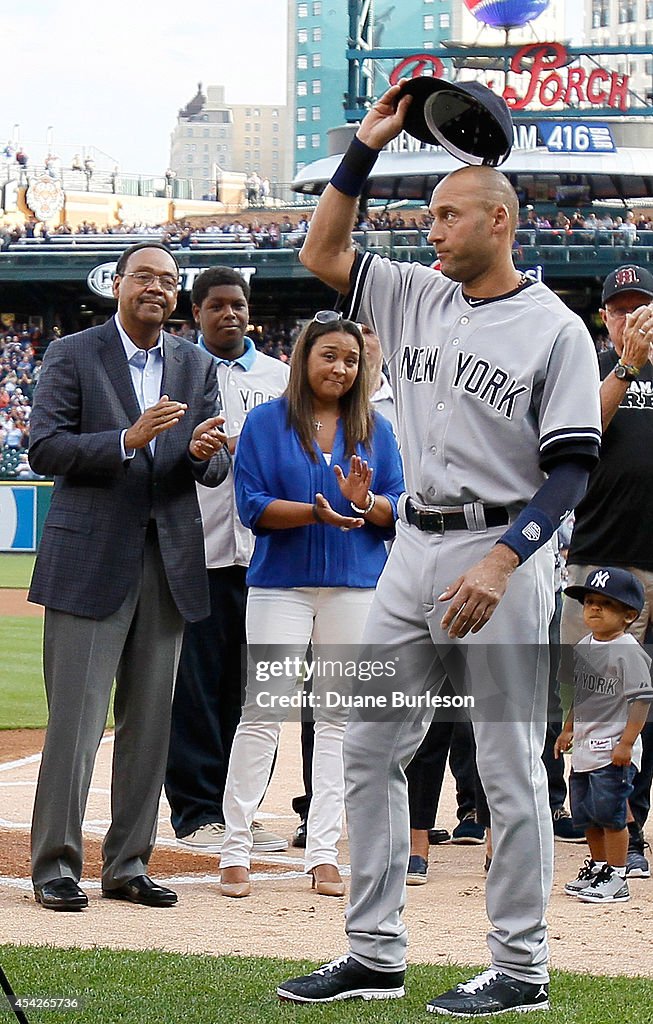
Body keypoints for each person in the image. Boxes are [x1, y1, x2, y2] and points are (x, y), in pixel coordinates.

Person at [277, 81, 601, 1016]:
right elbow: (320, 249)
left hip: (505, 548)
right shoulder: (416, 292)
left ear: (500, 221)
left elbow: (569, 471)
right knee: (370, 746)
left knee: (506, 764)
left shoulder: (556, 333)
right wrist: (367, 145)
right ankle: (374, 954)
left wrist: (504, 563)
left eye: (448, 215)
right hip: (411, 544)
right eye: (427, 216)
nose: (431, 231)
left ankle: (520, 968)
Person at [28, 242, 230, 912]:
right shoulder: (72, 353)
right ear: (117, 284)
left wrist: (206, 454)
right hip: (90, 558)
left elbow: (210, 469)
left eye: (169, 281)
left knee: (149, 727)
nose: (157, 288)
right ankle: (56, 865)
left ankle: (128, 864)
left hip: (168, 561)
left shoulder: (194, 362)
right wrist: (127, 439)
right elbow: (45, 448)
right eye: (144, 276)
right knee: (77, 725)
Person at [219, 313, 404, 899]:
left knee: (337, 721)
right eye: (329, 356)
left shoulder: (377, 428)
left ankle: (323, 851)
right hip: (280, 584)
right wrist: (317, 511)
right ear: (304, 358)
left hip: (356, 586)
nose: (341, 369)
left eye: (351, 360)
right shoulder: (265, 422)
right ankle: (235, 847)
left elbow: (399, 509)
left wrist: (365, 500)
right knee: (263, 712)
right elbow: (251, 505)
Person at [165, 267, 289, 854]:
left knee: (253, 689)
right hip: (202, 547)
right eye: (216, 306)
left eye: (237, 304)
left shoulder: (281, 377)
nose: (229, 314)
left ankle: (240, 809)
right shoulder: (178, 370)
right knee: (196, 684)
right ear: (196, 313)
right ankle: (195, 809)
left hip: (267, 554)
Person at [560, 264, 653, 879]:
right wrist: (627, 365)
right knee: (588, 696)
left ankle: (631, 830)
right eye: (620, 309)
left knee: (642, 701)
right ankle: (588, 821)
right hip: (598, 554)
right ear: (604, 317)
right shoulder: (589, 366)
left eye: (640, 307)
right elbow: (583, 429)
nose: (630, 317)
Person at [555, 567, 653, 903]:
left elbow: (641, 700)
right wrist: (568, 729)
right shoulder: (585, 645)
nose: (594, 608)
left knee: (612, 815)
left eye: (605, 604)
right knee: (587, 815)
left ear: (629, 616)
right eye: (590, 602)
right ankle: (598, 867)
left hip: (612, 749)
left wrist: (627, 743)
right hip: (584, 749)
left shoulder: (628, 650)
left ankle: (617, 875)